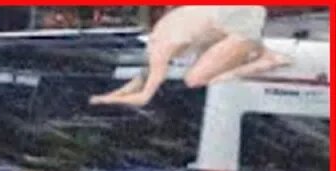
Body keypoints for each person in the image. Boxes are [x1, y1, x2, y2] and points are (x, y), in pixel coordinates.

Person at [89, 6, 285, 108]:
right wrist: (109, 96)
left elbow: (142, 97)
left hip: (237, 20)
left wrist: (106, 100)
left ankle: (266, 61)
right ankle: (260, 52)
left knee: (194, 79)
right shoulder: (160, 40)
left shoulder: (162, 49)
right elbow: (139, 81)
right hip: (225, 20)